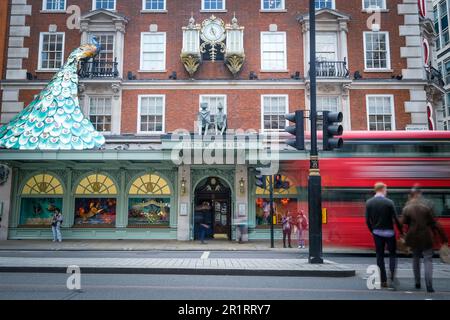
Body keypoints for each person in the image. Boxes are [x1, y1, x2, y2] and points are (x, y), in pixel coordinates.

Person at [402, 186, 449, 293]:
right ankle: (429, 285)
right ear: (419, 195)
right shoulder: (426, 207)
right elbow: (435, 224)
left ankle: (417, 282)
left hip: (413, 238)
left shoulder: (407, 208)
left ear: (411, 195)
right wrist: (444, 238)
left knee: (415, 259)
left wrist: (403, 233)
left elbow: (403, 223)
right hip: (426, 237)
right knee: (428, 260)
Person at [365, 182, 403, 288]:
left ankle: (383, 281)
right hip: (389, 233)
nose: (387, 191)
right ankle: (392, 277)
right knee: (392, 255)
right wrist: (402, 232)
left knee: (379, 256)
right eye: (386, 189)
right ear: (381, 189)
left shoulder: (369, 202)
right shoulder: (389, 202)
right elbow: (396, 219)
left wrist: (372, 230)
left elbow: (367, 220)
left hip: (377, 233)